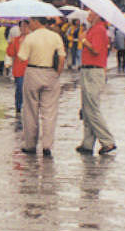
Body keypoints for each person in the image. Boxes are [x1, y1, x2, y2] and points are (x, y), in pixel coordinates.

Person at [17, 15, 66, 157]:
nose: (29, 24)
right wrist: (57, 73)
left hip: (33, 71)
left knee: (30, 110)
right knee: (49, 112)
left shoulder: (30, 38)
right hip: (50, 72)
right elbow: (62, 57)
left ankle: (30, 144)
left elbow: (22, 57)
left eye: (30, 22)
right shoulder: (55, 37)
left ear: (36, 22)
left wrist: (21, 43)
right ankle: (47, 145)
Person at [75, 11, 117, 155]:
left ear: (98, 15)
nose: (88, 15)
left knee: (92, 108)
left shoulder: (99, 29)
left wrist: (84, 41)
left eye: (91, 13)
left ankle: (107, 141)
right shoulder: (92, 29)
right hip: (88, 69)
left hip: (94, 70)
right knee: (87, 109)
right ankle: (87, 143)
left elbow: (96, 50)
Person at [5, 20, 30, 114]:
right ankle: (18, 106)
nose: (23, 28)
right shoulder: (15, 40)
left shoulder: (32, 39)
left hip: (31, 68)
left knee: (30, 90)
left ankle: (29, 107)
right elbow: (10, 53)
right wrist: (11, 43)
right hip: (19, 68)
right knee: (20, 87)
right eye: (21, 26)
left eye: (26, 26)